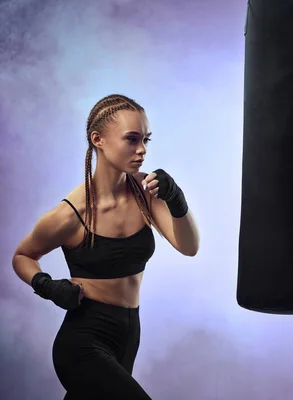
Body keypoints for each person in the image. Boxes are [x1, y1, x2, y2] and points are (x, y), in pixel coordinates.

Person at [12, 94, 200, 399]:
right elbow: (23, 256)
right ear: (97, 139)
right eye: (131, 139)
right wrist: (46, 286)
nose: (142, 150)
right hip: (84, 339)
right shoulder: (71, 214)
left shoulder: (146, 192)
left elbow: (188, 246)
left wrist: (176, 199)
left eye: (146, 140)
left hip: (128, 335)